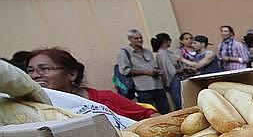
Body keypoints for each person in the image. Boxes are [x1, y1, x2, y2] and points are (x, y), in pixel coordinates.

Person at [28, 48, 157, 120]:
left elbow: (150, 115)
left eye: (44, 69)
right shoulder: (32, 110)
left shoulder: (103, 99)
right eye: (30, 70)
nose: (35, 75)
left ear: (72, 74)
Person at [117, 29, 169, 114]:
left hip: (158, 86)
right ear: (130, 39)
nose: (140, 40)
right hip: (143, 89)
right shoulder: (124, 52)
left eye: (140, 38)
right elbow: (124, 71)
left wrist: (158, 71)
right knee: (150, 113)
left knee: (165, 111)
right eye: (136, 38)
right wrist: (146, 72)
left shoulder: (147, 51)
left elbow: (154, 66)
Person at [151, 33, 184, 109]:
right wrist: (182, 70)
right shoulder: (162, 53)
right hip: (173, 80)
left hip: (172, 80)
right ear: (166, 41)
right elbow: (171, 71)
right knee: (180, 102)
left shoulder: (165, 52)